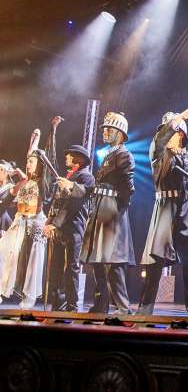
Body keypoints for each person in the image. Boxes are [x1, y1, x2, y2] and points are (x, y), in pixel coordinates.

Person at [58, 111, 135, 315]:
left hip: (110, 212)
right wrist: (73, 188)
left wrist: (117, 210)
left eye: (109, 129)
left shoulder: (123, 154)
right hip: (100, 210)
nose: (105, 132)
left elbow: (128, 188)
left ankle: (122, 307)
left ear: (119, 132)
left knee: (112, 262)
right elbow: (94, 189)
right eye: (105, 129)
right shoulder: (109, 155)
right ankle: (101, 305)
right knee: (98, 262)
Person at [137, 108, 188, 315]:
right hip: (165, 211)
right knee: (155, 265)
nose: (166, 134)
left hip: (187, 213)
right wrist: (180, 117)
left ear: (181, 134)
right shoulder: (158, 153)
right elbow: (160, 137)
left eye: (172, 131)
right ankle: (144, 311)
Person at [43, 115, 95, 311]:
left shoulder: (86, 177)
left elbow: (73, 204)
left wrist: (70, 187)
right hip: (58, 227)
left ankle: (72, 306)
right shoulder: (66, 177)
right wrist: (49, 222)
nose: (66, 157)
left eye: (69, 154)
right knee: (55, 267)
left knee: (71, 267)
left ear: (78, 159)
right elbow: (56, 203)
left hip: (73, 227)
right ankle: (58, 303)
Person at [0, 129, 49, 309]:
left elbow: (46, 155)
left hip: (35, 221)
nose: (28, 164)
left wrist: (50, 132)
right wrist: (33, 140)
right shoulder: (25, 182)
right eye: (27, 161)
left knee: (33, 260)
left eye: (31, 161)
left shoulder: (42, 182)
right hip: (19, 220)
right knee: (3, 250)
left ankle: (29, 297)